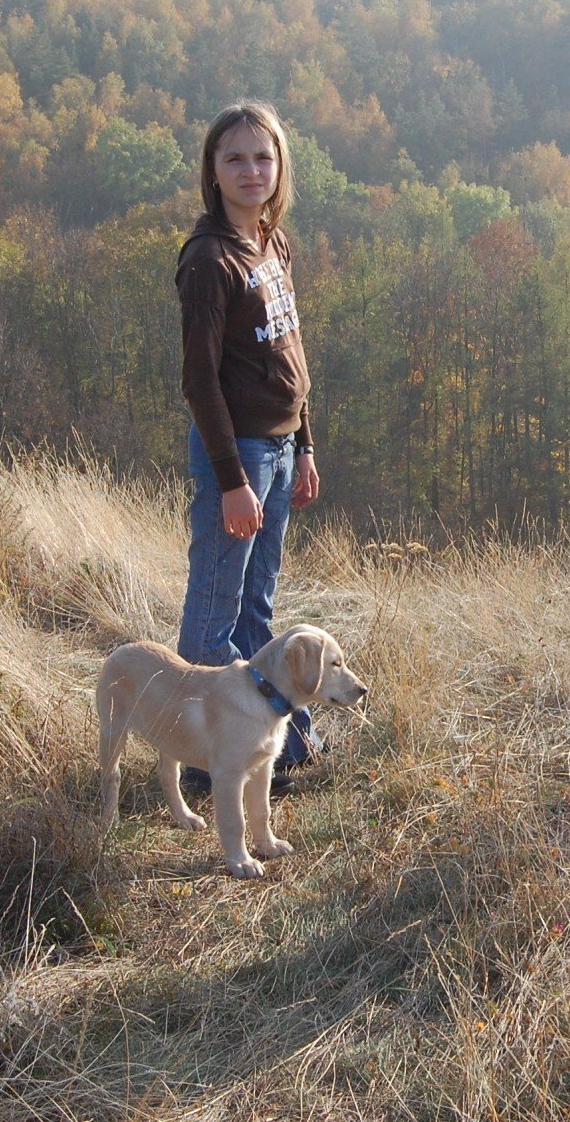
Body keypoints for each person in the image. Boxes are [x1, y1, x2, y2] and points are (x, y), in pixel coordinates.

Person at [175, 101, 321, 785]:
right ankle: (205, 765)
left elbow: (289, 348)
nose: (250, 170)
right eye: (234, 157)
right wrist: (233, 479)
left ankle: (268, 749)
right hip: (240, 457)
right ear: (212, 169)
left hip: (281, 449)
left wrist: (307, 442)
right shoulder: (209, 260)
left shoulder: (272, 242)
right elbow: (200, 380)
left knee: (256, 609)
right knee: (213, 617)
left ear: (280, 164)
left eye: (262, 156)